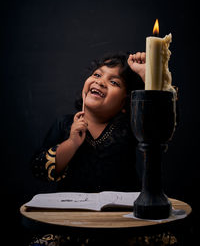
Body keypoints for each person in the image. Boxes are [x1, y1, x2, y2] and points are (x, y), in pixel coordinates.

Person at [29, 52, 177, 246]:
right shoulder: (64, 124)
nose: (100, 82)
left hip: (124, 225)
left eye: (114, 82)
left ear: (126, 102)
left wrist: (147, 75)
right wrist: (71, 143)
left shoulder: (131, 126)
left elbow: (162, 124)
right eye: (97, 75)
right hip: (72, 226)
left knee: (168, 240)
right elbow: (40, 169)